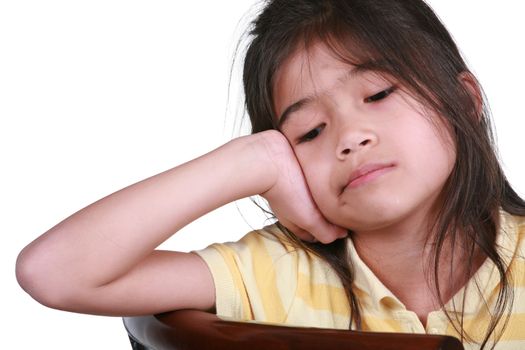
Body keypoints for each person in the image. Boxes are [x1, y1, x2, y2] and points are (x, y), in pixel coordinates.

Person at [15, 0, 525, 349]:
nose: (350, 136)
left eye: (378, 95)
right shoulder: (277, 272)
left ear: (465, 98)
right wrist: (251, 162)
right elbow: (52, 273)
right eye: (309, 132)